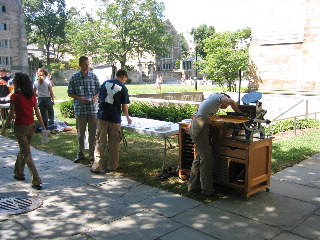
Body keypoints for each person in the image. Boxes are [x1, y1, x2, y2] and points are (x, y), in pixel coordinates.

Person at [187, 93, 241, 196]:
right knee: (207, 159)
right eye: (226, 106)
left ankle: (193, 187)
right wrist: (239, 113)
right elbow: (231, 101)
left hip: (196, 125)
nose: (225, 107)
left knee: (199, 158)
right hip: (200, 128)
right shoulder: (221, 97)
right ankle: (207, 191)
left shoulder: (212, 97)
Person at [1, 72, 46, 190]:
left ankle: (36, 180)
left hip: (20, 127)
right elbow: (37, 113)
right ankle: (18, 173)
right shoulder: (31, 96)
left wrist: (4, 127)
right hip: (31, 126)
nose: (13, 82)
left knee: (27, 154)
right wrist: (43, 127)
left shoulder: (14, 97)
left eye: (15, 80)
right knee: (23, 150)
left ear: (18, 82)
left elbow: (11, 115)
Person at [91, 69, 132, 174]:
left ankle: (97, 166)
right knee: (114, 144)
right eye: (125, 79)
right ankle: (113, 166)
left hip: (102, 116)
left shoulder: (105, 83)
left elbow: (100, 98)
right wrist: (127, 117)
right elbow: (124, 105)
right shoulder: (123, 88)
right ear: (123, 77)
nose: (124, 81)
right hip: (114, 119)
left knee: (100, 142)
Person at [68, 56, 100, 163]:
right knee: (81, 134)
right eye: (85, 64)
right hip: (80, 109)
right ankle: (81, 154)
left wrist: (95, 97)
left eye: (88, 64)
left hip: (92, 109)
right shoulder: (74, 77)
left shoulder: (93, 76)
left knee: (92, 133)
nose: (87, 66)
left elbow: (99, 90)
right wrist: (79, 98)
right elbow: (70, 92)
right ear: (80, 65)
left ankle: (92, 155)